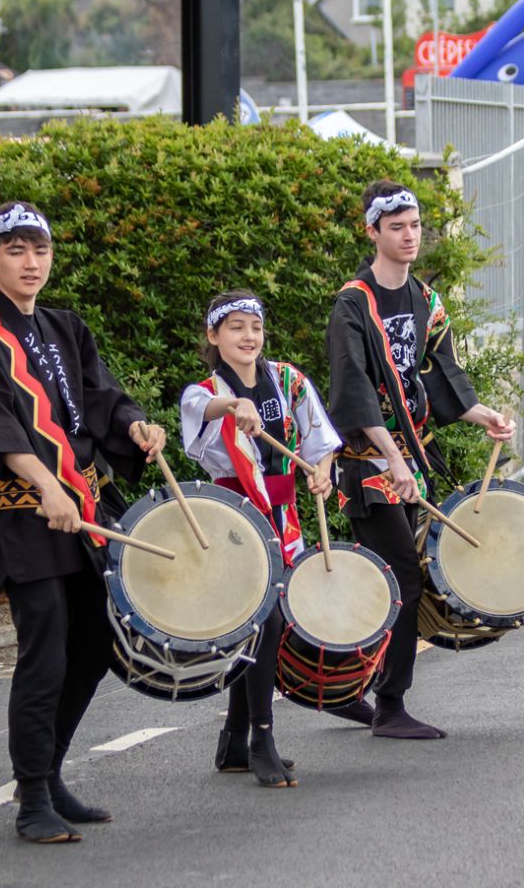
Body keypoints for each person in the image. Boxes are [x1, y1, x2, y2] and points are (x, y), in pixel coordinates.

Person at [0, 202, 168, 843]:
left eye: (39, 250)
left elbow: (101, 396)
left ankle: (49, 771)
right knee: (45, 650)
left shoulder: (66, 327)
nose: (30, 262)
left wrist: (134, 424)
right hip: (27, 515)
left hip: (83, 511)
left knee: (94, 644)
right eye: (15, 250)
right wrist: (47, 487)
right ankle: (32, 797)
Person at [325, 180, 515, 739]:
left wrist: (483, 414)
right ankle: (390, 704)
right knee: (401, 576)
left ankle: (344, 685)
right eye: (398, 227)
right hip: (369, 460)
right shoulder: (353, 303)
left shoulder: (426, 300)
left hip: (411, 456)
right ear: (373, 232)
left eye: (415, 226)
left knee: (378, 579)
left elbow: (441, 370)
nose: (410, 237)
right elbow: (352, 389)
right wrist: (392, 458)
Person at [180, 290, 342, 788]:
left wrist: (323, 472)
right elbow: (203, 409)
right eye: (235, 327)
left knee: (268, 624)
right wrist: (236, 404)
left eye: (254, 326)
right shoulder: (204, 390)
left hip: (284, 515)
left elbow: (321, 442)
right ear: (213, 336)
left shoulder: (289, 379)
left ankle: (234, 739)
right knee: (265, 624)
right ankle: (261, 739)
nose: (248, 336)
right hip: (236, 523)